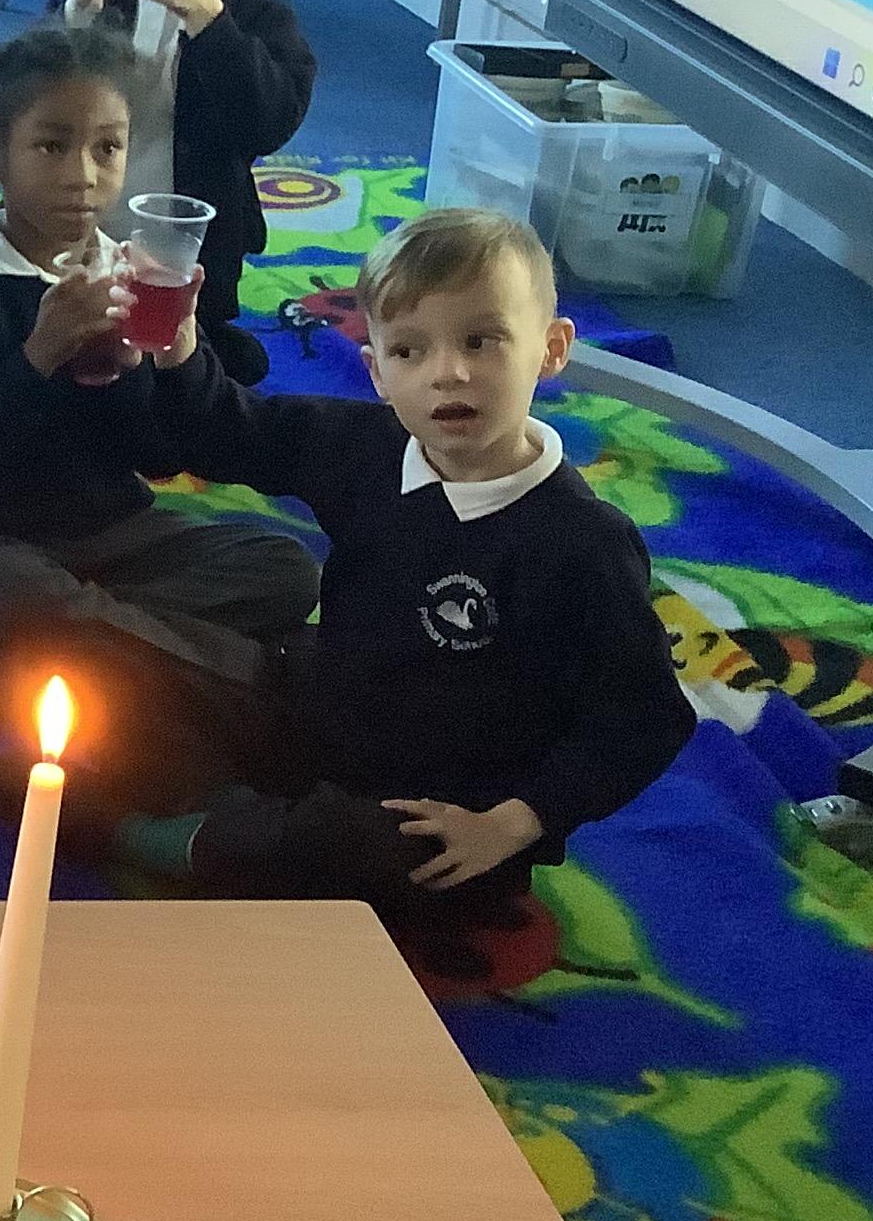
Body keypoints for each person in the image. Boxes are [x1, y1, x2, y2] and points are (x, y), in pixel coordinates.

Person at [98, 208, 694, 979]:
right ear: (378, 372)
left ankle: (152, 830)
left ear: (550, 349)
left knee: (360, 853)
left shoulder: (584, 543)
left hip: (442, 809)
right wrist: (178, 345)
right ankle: (209, 806)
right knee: (130, 675)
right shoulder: (366, 446)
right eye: (410, 350)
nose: (448, 373)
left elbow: (645, 717)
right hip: (324, 711)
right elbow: (233, 433)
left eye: (481, 341)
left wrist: (514, 823)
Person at [0, 26, 319, 805]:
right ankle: (253, 679)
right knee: (14, 590)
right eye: (52, 147)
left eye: (107, 148)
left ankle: (64, 649)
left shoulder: (128, 278)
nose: (83, 176)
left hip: (113, 533)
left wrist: (158, 360)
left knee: (286, 567)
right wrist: (37, 355)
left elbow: (158, 456)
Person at [61, 0, 316, 386]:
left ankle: (191, 351)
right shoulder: (104, 1)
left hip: (188, 258)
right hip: (84, 237)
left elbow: (266, 123)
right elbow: (36, 107)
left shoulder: (257, 17)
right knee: (68, 351)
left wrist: (208, 19)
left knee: (199, 365)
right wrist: (76, 15)